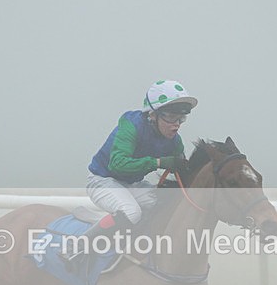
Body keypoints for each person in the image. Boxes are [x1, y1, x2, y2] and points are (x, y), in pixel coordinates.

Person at [72, 80, 197, 256]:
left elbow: (185, 171)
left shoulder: (175, 141)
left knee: (161, 206)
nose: (176, 124)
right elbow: (117, 164)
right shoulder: (131, 125)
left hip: (132, 185)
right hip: (103, 181)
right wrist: (159, 163)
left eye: (181, 118)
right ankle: (76, 246)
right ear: (153, 115)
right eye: (170, 116)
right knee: (131, 212)